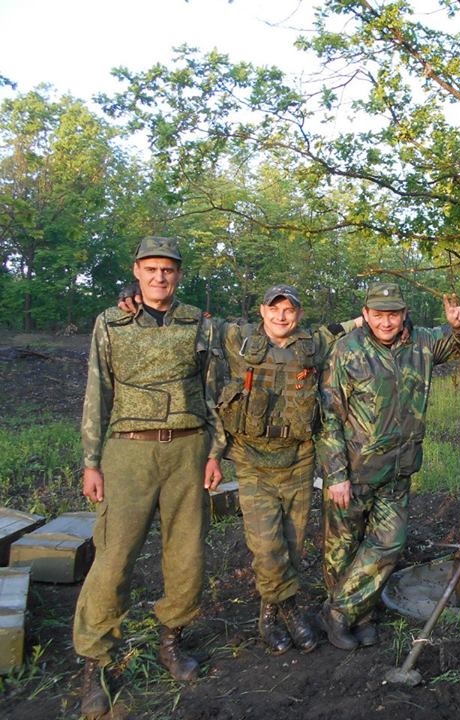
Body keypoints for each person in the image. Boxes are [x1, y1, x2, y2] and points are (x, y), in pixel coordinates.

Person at [75, 236, 225, 719]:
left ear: (179, 275)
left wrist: (215, 451)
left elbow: (213, 390)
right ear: (137, 272)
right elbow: (98, 390)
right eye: (152, 269)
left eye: (169, 270)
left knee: (186, 554)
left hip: (187, 448)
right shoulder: (112, 322)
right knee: (113, 556)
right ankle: (96, 661)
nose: (160, 277)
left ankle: (171, 638)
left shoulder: (199, 325)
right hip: (128, 452)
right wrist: (91, 462)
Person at [318, 282, 460, 650]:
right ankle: (359, 616)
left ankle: (338, 612)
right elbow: (328, 417)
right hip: (354, 472)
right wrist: (336, 475)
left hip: (398, 470)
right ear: (366, 313)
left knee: (389, 543)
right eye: (378, 314)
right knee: (342, 548)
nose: (386, 322)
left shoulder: (421, 343)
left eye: (393, 314)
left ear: (403, 314)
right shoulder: (347, 350)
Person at [215, 285, 360, 655]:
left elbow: (354, 325)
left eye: (289, 310)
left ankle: (271, 611)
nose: (281, 317)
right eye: (274, 309)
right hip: (252, 462)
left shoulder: (313, 344)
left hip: (297, 461)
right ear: (262, 310)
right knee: (267, 547)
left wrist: (391, 317)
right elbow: (189, 324)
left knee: (292, 545)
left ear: (299, 313)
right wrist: (130, 295)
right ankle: (287, 610)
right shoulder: (239, 339)